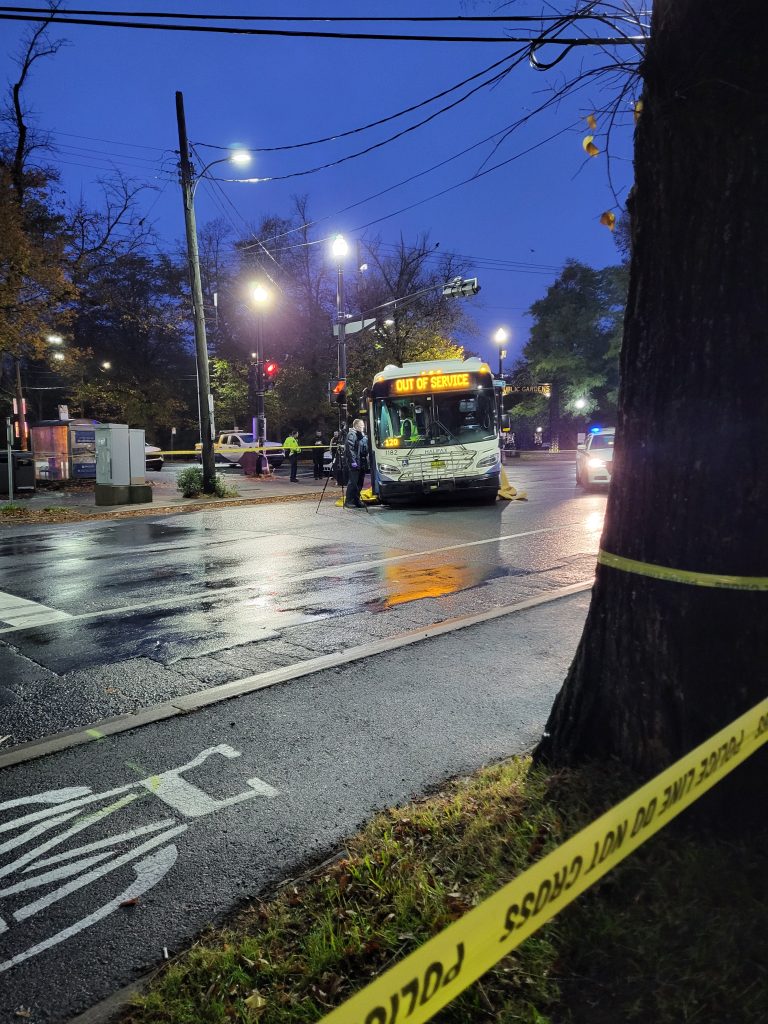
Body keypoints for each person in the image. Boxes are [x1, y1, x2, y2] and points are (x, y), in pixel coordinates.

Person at [344, 418, 366, 509]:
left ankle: (356, 500)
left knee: (359, 483)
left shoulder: (359, 434)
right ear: (356, 426)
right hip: (355, 463)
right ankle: (348, 501)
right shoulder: (352, 434)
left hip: (361, 462)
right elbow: (350, 449)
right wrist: (353, 462)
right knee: (353, 482)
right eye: (361, 426)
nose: (363, 427)